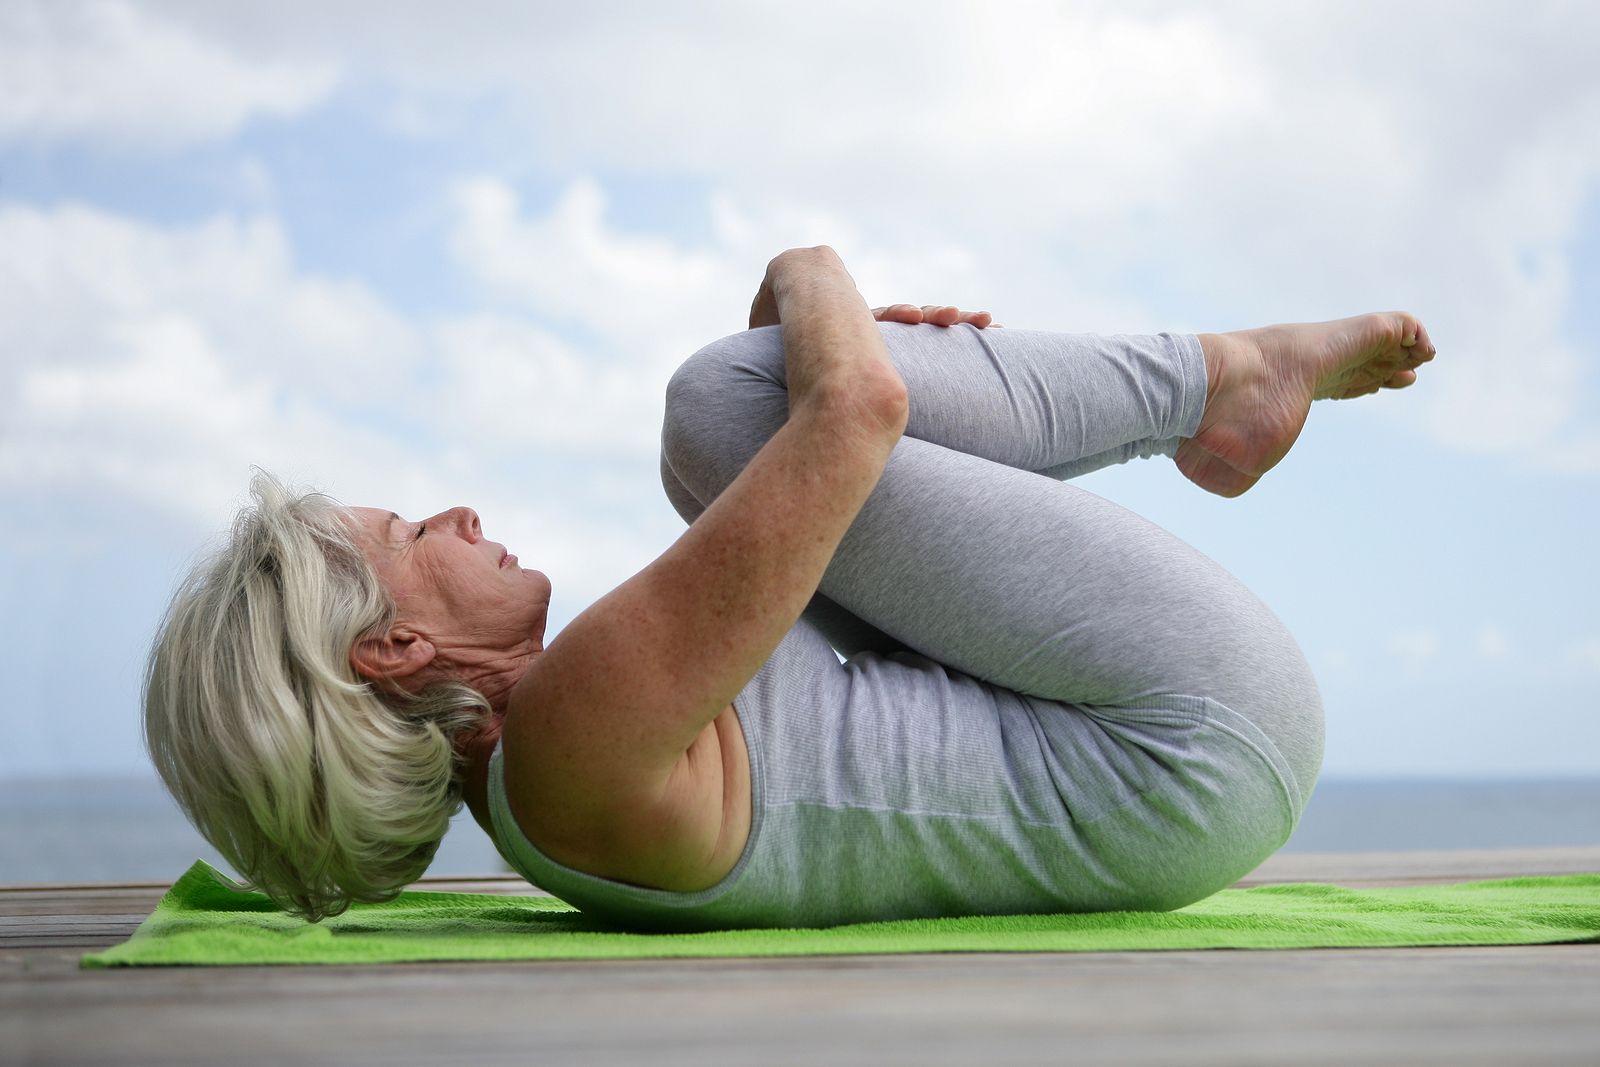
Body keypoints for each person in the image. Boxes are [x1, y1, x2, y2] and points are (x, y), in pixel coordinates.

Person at [144, 245, 1435, 930]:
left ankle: (1218, 390)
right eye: (414, 530)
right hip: (1191, 734)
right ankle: (1218, 379)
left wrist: (829, 364)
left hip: (1173, 784)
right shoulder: (573, 730)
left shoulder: (549, 797)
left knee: (752, 415)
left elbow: (831, 471)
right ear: (392, 647)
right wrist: (810, 273)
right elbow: (858, 409)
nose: (461, 513)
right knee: (722, 401)